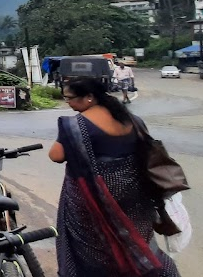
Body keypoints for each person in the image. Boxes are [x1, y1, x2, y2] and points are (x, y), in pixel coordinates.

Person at [49, 77, 179, 277]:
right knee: (137, 238)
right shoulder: (132, 120)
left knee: (94, 248)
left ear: (89, 97)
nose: (68, 103)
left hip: (92, 199)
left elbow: (56, 156)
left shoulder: (75, 125)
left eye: (70, 98)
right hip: (134, 194)